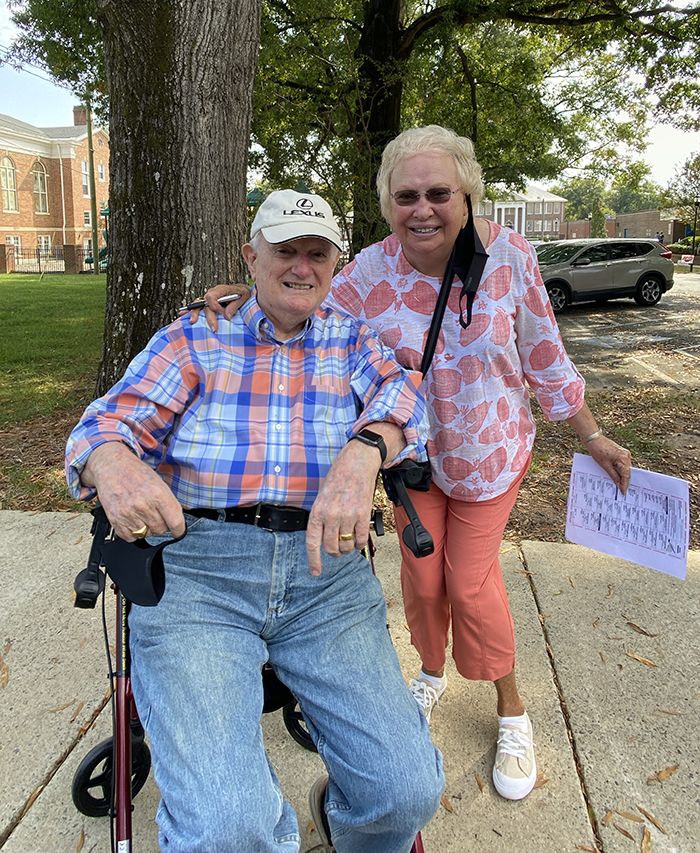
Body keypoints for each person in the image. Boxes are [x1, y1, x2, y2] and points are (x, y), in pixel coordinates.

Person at [199, 127, 633, 803]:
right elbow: (303, 312)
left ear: (467, 195)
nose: (422, 208)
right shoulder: (367, 273)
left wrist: (594, 433)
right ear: (388, 204)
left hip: (491, 458)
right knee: (424, 584)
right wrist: (242, 298)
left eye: (439, 192)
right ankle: (430, 672)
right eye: (407, 195)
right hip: (416, 463)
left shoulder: (509, 256)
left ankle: (512, 708)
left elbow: (544, 355)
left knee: (469, 581)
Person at [65, 189, 444, 853]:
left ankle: (353, 821)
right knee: (228, 828)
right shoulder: (194, 336)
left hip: (324, 575)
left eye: (316, 252)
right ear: (251, 255)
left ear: (336, 264)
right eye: (285, 249)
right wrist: (110, 460)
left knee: (404, 790)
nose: (301, 265)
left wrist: (365, 451)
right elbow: (106, 423)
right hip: (199, 573)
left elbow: (408, 396)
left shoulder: (353, 340)